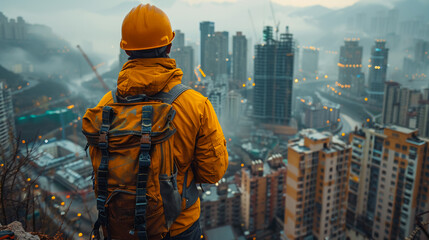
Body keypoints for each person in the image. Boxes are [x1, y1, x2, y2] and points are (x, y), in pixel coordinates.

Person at [93, 3, 228, 240]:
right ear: (169, 45)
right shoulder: (195, 104)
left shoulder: (105, 105)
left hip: (121, 227)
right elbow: (212, 173)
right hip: (178, 227)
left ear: (126, 50)